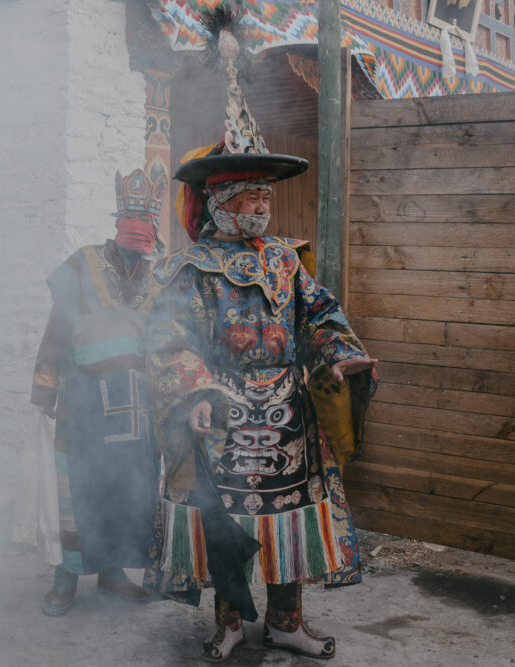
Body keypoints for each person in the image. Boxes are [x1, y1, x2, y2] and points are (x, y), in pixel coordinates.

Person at [141, 133, 378, 659]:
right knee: (228, 521)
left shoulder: (286, 261)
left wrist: (337, 353)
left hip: (288, 411)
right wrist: (196, 392)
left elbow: (318, 316)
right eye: (253, 198)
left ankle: (285, 622)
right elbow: (168, 338)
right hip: (222, 413)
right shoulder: (191, 268)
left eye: (267, 198)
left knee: (288, 518)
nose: (262, 209)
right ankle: (228, 622)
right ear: (223, 204)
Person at [29, 166, 168, 616]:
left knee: (128, 490)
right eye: (130, 215)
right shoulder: (82, 262)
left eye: (146, 218)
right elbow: (57, 328)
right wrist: (44, 389)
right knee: (77, 487)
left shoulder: (163, 277)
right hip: (83, 400)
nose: (138, 225)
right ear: (116, 220)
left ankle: (113, 573)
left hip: (137, 404)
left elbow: (170, 343)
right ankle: (66, 577)